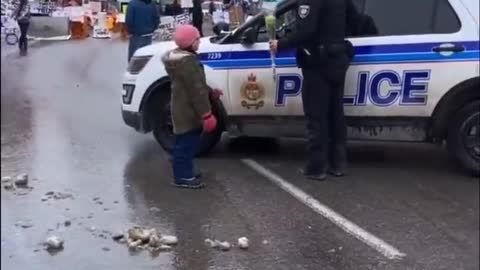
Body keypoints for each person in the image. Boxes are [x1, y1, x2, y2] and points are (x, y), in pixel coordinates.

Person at [270, 0, 353, 180]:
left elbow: (307, 31)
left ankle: (316, 168)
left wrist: (281, 43)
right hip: (338, 59)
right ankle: (337, 165)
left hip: (318, 64)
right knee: (335, 115)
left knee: (317, 117)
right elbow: (354, 21)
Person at [161, 24, 223, 189]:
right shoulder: (189, 63)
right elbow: (197, 91)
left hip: (181, 109)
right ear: (190, 42)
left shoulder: (179, 60)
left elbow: (193, 87)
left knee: (184, 143)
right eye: (197, 39)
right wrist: (207, 114)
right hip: (189, 112)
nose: (199, 43)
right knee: (185, 146)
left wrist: (211, 95)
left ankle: (186, 171)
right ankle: (182, 177)